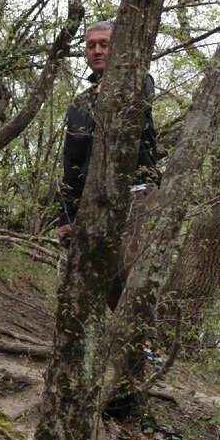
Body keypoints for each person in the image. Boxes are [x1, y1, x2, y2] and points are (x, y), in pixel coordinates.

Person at [56, 20, 161, 315]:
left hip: (137, 195)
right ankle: (124, 350)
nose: (98, 51)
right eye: (91, 46)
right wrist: (65, 216)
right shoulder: (79, 104)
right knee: (104, 283)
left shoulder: (139, 81)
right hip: (94, 200)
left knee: (135, 274)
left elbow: (143, 98)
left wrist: (113, 90)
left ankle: (147, 350)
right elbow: (71, 162)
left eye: (105, 44)